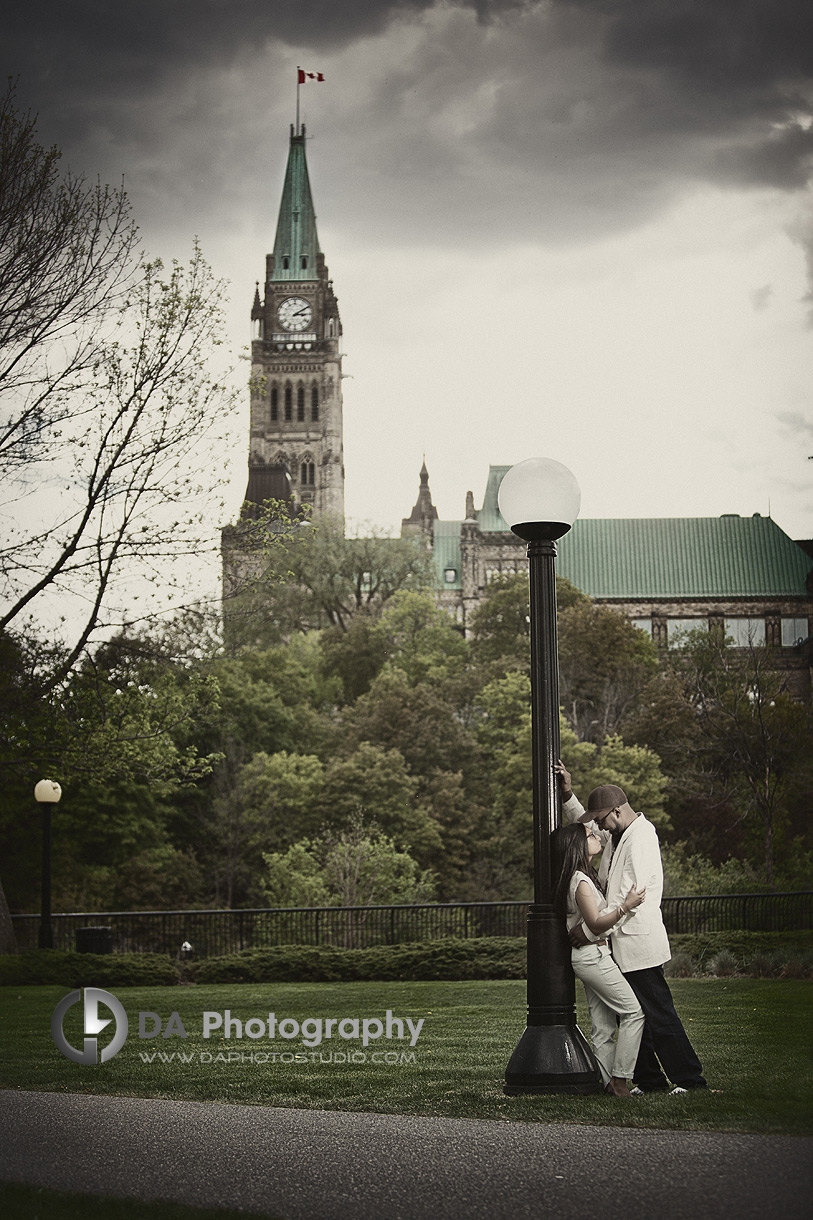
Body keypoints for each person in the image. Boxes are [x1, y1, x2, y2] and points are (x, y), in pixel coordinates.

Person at [555, 761, 708, 1095]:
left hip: (637, 944)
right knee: (634, 1017)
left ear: (616, 811)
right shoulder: (618, 833)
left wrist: (591, 931)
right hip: (620, 944)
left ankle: (690, 1082)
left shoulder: (640, 837)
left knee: (658, 1015)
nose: (597, 827)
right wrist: (568, 794)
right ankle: (650, 1082)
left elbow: (630, 897)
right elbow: (581, 831)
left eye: (600, 819)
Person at [551, 820, 646, 1097]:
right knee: (633, 1012)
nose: (596, 836)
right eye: (591, 835)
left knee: (603, 1026)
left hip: (590, 955)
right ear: (579, 845)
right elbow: (594, 923)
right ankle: (619, 1080)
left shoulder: (582, 876)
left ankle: (609, 1084)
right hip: (592, 957)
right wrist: (625, 908)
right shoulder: (580, 881)